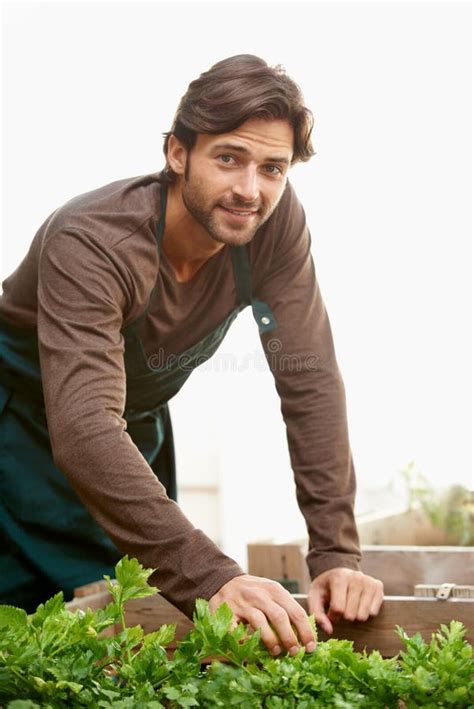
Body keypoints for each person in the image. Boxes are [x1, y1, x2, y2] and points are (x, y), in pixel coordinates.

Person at [0, 54, 383, 657]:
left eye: (273, 168)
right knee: (20, 637)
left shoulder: (273, 228)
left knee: (114, 630)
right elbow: (82, 426)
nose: (249, 190)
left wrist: (335, 551)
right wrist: (212, 575)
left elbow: (308, 381)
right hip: (17, 432)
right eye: (228, 157)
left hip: (129, 435)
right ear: (177, 153)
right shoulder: (93, 240)